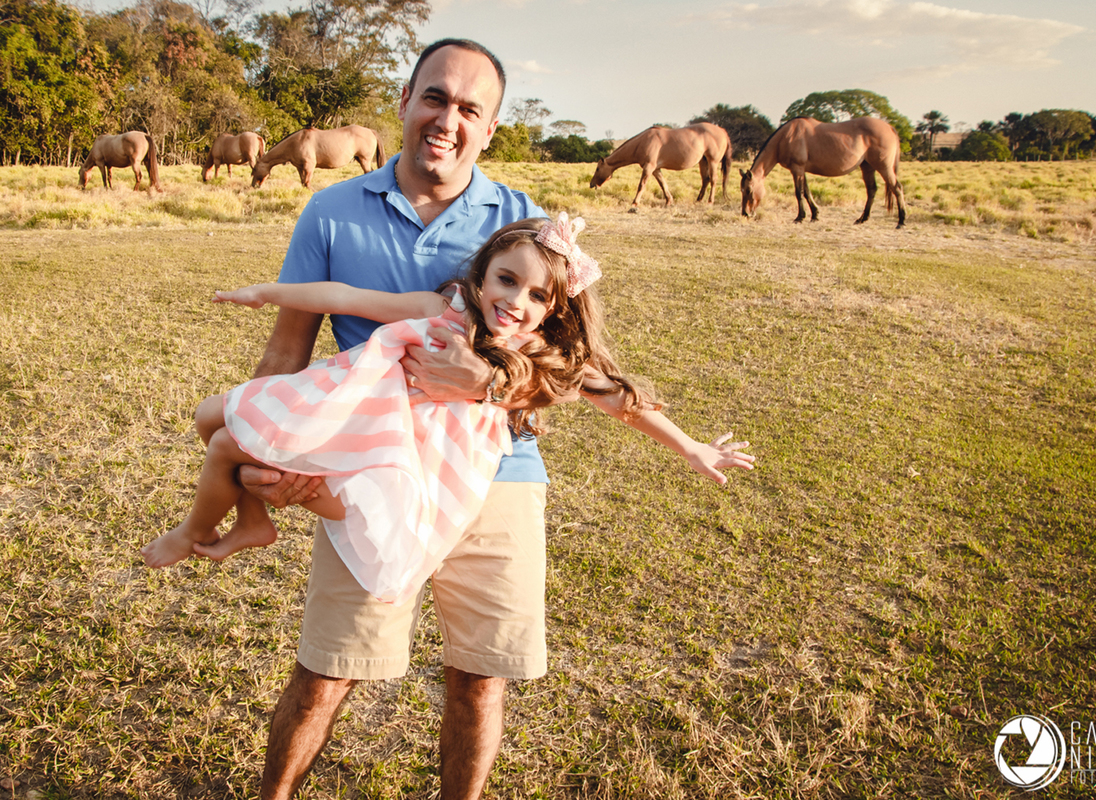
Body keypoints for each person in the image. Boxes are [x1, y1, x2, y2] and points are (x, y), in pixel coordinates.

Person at [193, 38, 733, 800]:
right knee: (328, 674)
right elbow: (288, 353)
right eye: (436, 97)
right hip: (373, 470)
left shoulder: (525, 226)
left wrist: (487, 385)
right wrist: (267, 450)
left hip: (498, 473)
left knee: (480, 681)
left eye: (470, 108)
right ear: (407, 101)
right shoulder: (332, 210)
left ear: (490, 128)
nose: (448, 119)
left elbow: (575, 370)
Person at [141, 216, 753, 607]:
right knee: (210, 415)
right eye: (507, 280)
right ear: (483, 272)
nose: (516, 301)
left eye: (538, 295)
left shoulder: (537, 351)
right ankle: (251, 521)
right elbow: (350, 298)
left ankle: (198, 530)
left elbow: (618, 398)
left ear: (552, 308)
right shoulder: (446, 306)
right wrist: (267, 292)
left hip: (416, 464)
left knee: (225, 444)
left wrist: (692, 446)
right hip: (359, 415)